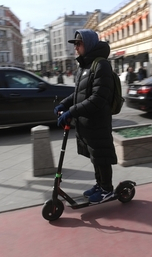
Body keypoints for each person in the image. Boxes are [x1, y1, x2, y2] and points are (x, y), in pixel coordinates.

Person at [53, 29, 117, 204]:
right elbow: (78, 93)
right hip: (87, 122)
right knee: (94, 156)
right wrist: (64, 104)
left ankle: (107, 190)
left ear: (87, 44)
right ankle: (100, 184)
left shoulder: (101, 65)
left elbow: (98, 98)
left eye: (78, 44)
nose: (76, 48)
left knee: (101, 157)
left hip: (98, 121)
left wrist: (71, 111)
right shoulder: (85, 66)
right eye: (75, 44)